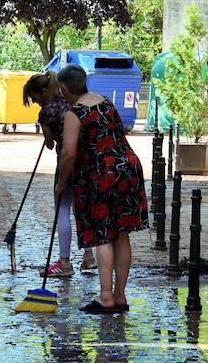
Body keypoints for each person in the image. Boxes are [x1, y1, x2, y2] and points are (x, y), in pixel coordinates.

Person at [53, 64, 148, 314]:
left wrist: (61, 183)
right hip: (128, 168)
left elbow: (68, 152)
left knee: (103, 234)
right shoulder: (105, 102)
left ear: (64, 90)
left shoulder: (75, 113)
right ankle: (120, 295)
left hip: (100, 174)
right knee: (122, 234)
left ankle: (105, 296)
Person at [22, 73, 95, 278]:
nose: (35, 102)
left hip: (66, 161)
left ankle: (64, 262)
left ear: (43, 92)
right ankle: (89, 257)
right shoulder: (70, 101)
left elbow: (50, 143)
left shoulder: (46, 112)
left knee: (62, 209)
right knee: (81, 209)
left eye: (34, 97)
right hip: (86, 162)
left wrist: (49, 135)